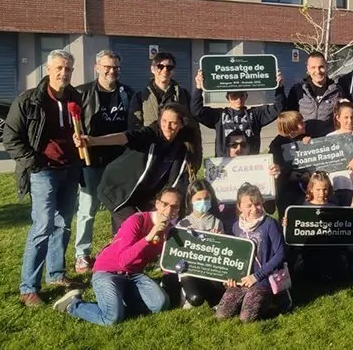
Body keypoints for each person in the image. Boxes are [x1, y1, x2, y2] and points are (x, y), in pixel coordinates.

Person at [3, 49, 83, 307]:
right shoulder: (28, 100)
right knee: (42, 227)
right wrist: (35, 163)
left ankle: (57, 274)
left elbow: (81, 130)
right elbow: (11, 138)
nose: (64, 73)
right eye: (59, 68)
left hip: (70, 170)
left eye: (68, 69)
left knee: (63, 224)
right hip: (43, 172)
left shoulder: (75, 97)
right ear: (47, 70)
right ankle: (29, 288)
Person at [52, 187, 179, 324]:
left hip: (134, 274)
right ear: (157, 204)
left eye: (175, 206)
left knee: (161, 304)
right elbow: (124, 260)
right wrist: (148, 237)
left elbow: (168, 261)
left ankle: (119, 303)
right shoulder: (137, 220)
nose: (169, 210)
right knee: (111, 318)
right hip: (108, 271)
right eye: (165, 204)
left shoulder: (170, 231)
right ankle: (74, 304)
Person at [79, 103, 201, 232]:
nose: (167, 126)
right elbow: (124, 137)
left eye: (173, 123)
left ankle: (118, 247)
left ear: (181, 125)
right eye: (164, 121)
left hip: (146, 196)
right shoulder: (150, 134)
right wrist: (93, 141)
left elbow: (179, 181)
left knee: (130, 232)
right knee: (139, 227)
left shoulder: (182, 147)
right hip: (118, 190)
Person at [73, 50, 135, 274]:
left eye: (116, 67)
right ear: (97, 67)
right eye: (107, 67)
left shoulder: (126, 93)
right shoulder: (82, 93)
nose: (112, 71)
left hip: (119, 161)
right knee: (88, 208)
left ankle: (117, 247)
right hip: (92, 161)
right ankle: (82, 254)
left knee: (118, 208)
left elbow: (133, 125)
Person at [215, 184, 286, 322]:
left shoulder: (270, 224)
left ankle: (274, 302)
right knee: (221, 315)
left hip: (263, 281)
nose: (254, 209)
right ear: (239, 206)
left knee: (246, 318)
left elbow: (280, 254)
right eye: (249, 205)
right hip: (242, 281)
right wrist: (230, 277)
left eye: (258, 204)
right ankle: (246, 301)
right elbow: (233, 256)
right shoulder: (236, 227)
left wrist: (256, 276)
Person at [191, 68, 284, 157]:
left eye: (242, 95)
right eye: (234, 96)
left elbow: (278, 108)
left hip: (250, 164)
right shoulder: (219, 115)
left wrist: (279, 87)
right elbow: (197, 111)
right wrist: (199, 88)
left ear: (246, 96)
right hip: (225, 163)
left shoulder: (256, 114)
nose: (238, 99)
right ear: (228, 97)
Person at [174, 180, 225, 308]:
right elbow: (177, 251)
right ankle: (185, 292)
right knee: (195, 299)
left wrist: (219, 239)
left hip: (209, 269)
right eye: (198, 199)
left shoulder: (217, 222)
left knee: (218, 302)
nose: (202, 202)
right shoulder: (183, 223)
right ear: (191, 200)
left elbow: (223, 251)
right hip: (189, 270)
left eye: (206, 198)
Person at [285, 51, 344, 138]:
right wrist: (299, 137)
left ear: (326, 66)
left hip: (329, 143)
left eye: (321, 67)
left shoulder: (337, 90)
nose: (318, 71)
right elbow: (289, 120)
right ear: (308, 69)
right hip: (304, 143)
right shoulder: (298, 90)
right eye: (313, 67)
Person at [129, 52, 191, 128]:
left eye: (169, 67)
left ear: (173, 71)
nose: (165, 70)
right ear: (152, 69)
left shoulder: (183, 95)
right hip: (149, 139)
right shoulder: (140, 97)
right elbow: (134, 127)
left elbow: (190, 124)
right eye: (160, 66)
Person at [267, 111, 312, 214]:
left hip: (306, 189)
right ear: (291, 127)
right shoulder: (277, 144)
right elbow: (277, 167)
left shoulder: (305, 137)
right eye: (301, 123)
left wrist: (309, 142)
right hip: (287, 191)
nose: (304, 124)